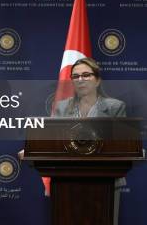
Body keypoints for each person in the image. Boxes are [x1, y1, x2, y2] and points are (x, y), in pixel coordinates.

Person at [52, 57, 125, 225]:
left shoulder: (115, 107)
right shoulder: (62, 107)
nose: (80, 80)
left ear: (97, 80)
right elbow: (54, 140)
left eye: (86, 75)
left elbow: (122, 144)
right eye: (75, 76)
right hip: (67, 180)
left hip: (106, 181)